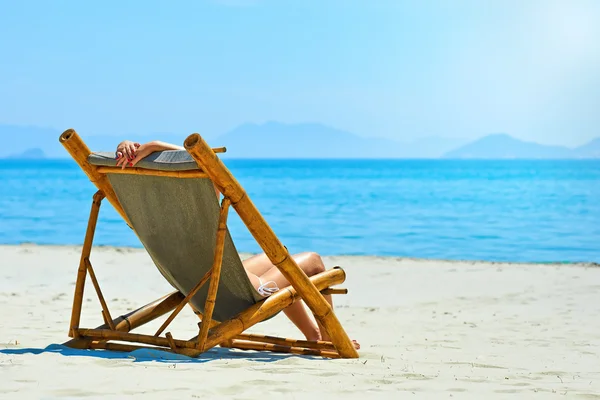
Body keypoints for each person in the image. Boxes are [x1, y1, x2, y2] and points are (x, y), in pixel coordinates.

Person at [115, 140, 359, 349]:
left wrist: (130, 148)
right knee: (313, 261)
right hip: (235, 299)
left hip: (199, 292)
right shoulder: (198, 208)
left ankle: (313, 336)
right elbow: (208, 162)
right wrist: (155, 146)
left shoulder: (149, 217)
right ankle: (327, 335)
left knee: (279, 257)